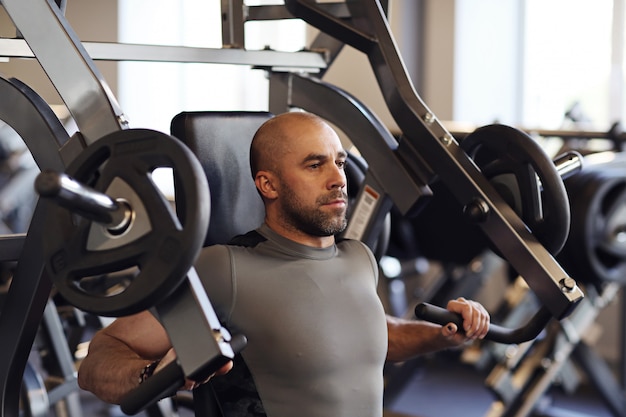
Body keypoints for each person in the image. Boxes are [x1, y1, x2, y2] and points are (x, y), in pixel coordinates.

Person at [77, 111, 490, 416]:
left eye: (340, 162)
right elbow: (99, 358)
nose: (337, 179)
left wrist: (444, 335)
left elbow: (376, 335)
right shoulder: (225, 268)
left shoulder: (358, 258)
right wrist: (154, 375)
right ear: (268, 184)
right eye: (315, 165)